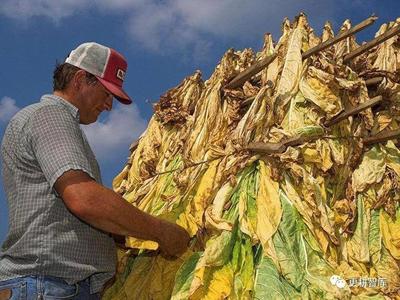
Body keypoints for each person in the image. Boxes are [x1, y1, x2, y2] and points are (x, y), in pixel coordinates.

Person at [0, 42, 190, 299]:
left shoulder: (52, 122)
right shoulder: (50, 116)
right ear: (80, 79)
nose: (109, 105)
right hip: (50, 286)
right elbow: (84, 199)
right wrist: (161, 232)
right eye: (107, 92)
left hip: (51, 286)